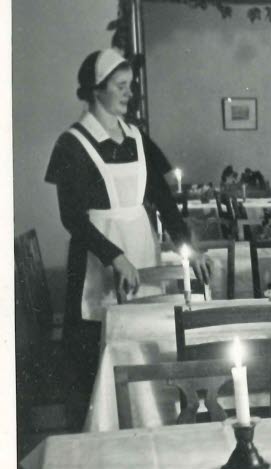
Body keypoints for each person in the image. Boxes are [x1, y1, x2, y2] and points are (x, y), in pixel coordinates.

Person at [44, 48, 212, 419]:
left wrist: (189, 247)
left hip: (141, 251)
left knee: (143, 340)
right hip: (95, 260)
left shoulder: (137, 138)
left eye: (130, 86)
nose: (128, 93)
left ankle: (148, 419)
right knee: (96, 351)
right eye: (120, 86)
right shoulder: (72, 143)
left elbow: (164, 203)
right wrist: (113, 256)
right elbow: (72, 218)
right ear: (96, 89)